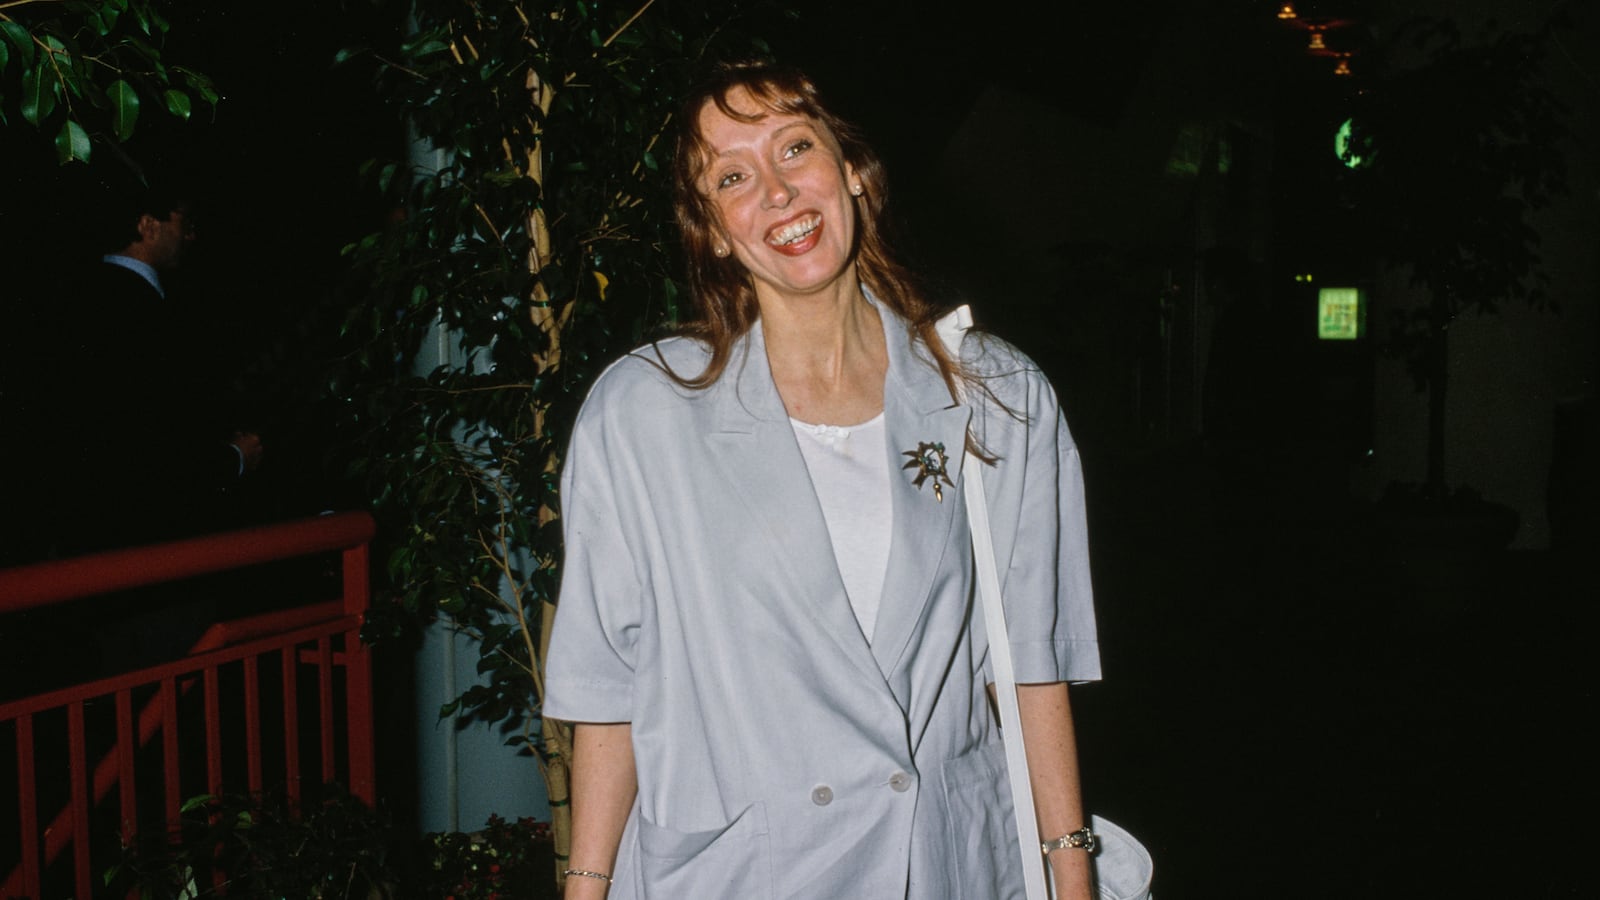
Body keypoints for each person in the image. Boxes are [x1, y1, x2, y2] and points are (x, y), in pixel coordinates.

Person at [543, 62, 1101, 900]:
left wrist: (1072, 873)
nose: (776, 192)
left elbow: (1031, 663)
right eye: (732, 177)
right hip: (742, 873)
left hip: (945, 866)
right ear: (713, 231)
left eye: (794, 148)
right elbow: (611, 690)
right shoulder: (643, 413)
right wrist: (585, 889)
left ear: (852, 171)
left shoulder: (995, 393)